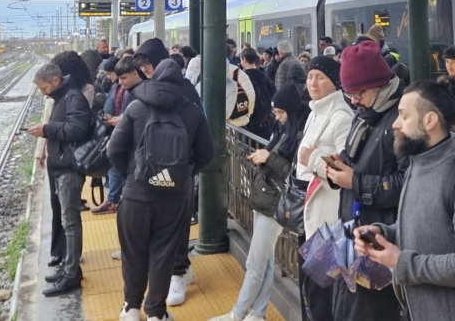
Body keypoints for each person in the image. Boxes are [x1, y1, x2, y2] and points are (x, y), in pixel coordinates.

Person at [354, 78, 455, 321]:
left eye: (404, 116)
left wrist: (402, 263)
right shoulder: (415, 168)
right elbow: (425, 226)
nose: (396, 124)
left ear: (430, 120)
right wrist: (383, 233)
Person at [108, 59, 214, 321]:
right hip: (173, 198)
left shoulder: (135, 107)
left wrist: (132, 177)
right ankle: (156, 312)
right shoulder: (192, 112)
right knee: (163, 254)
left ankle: (131, 308)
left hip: (135, 195)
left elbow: (113, 150)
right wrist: (182, 176)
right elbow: (206, 154)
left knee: (133, 253)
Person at [210, 85, 308, 321]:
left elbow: (296, 174)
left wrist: (268, 157)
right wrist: (265, 158)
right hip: (266, 200)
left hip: (275, 205)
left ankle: (238, 313)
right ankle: (258, 312)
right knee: (263, 260)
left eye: (281, 113)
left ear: (292, 112)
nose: (277, 117)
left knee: (256, 262)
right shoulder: (284, 129)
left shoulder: (299, 135)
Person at [325, 40, 408, 320]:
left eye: (358, 93)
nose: (353, 100)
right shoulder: (365, 116)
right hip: (356, 236)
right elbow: (356, 161)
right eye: (348, 94)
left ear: (379, 85)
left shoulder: (401, 120)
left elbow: (407, 186)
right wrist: (340, 169)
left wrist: (355, 181)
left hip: (380, 241)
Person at [294, 55, 354, 321]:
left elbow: (345, 167)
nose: (313, 83)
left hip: (326, 219)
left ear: (334, 83)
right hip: (308, 212)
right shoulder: (315, 111)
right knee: (308, 284)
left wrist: (312, 160)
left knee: (321, 291)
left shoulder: (342, 117)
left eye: (320, 77)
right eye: (310, 77)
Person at [27, 63, 92, 296]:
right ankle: (68, 267)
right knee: (67, 221)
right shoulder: (64, 96)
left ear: (55, 81)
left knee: (70, 222)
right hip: (61, 165)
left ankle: (72, 274)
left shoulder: (73, 98)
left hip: (69, 168)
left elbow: (77, 129)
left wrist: (47, 128)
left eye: (44, 88)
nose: (43, 93)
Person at [94, 56, 144, 215]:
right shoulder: (133, 90)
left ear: (136, 73)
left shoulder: (139, 91)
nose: (120, 82)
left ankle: (115, 199)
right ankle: (117, 198)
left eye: (123, 78)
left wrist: (120, 121)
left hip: (134, 144)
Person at [240, 48, 277, 139]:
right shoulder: (265, 77)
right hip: (266, 120)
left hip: (249, 123)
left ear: (244, 59)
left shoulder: (241, 79)